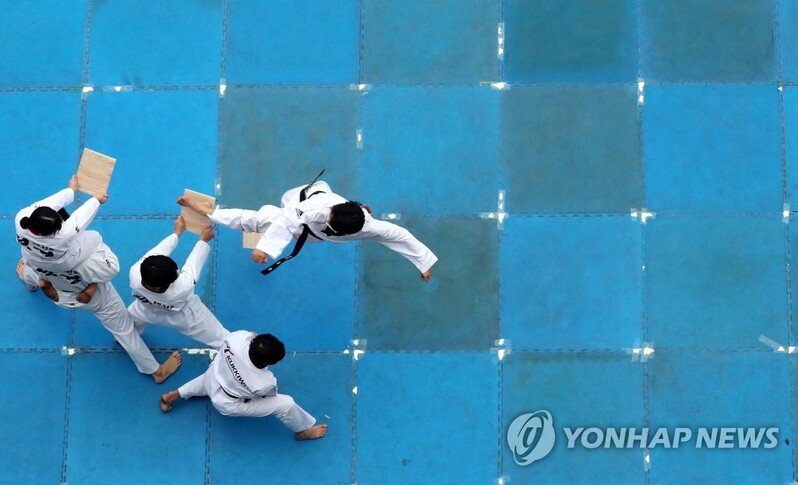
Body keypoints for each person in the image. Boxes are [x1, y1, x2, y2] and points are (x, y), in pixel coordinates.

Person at [177, 179, 438, 282]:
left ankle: (363, 209)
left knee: (270, 224)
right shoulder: (319, 209)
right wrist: (265, 248)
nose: (328, 217)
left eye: (331, 219)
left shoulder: (370, 227)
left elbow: (400, 235)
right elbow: (289, 218)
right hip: (302, 198)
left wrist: (423, 262)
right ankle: (210, 211)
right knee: (265, 218)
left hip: (314, 235)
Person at [17, 251, 182, 384]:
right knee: (124, 331)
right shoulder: (80, 248)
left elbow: (45, 283)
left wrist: (52, 294)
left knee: (37, 273)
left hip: (62, 297)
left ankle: (28, 278)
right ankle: (156, 371)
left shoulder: (29, 243)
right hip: (95, 297)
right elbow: (105, 271)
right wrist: (89, 291)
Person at [159, 330, 327, 441]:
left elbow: (252, 334)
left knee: (211, 379)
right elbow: (269, 396)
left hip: (214, 376)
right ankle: (302, 430)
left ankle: (173, 395)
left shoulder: (237, 338)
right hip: (228, 404)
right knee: (286, 404)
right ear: (268, 363)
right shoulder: (264, 382)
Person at [128, 216, 230, 348]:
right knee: (219, 336)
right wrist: (203, 241)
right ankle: (234, 349)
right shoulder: (182, 288)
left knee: (128, 322)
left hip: (145, 309)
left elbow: (158, 251)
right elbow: (193, 265)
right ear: (166, 283)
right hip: (183, 317)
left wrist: (176, 233)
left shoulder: (135, 272)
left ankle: (125, 337)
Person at [16, 175, 107, 274]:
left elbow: (48, 203)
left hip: (31, 257)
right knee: (95, 236)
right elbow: (79, 219)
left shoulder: (21, 217)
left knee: (33, 273)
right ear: (45, 233)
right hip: (61, 264)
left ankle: (29, 279)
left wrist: (71, 190)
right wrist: (96, 200)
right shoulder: (62, 236)